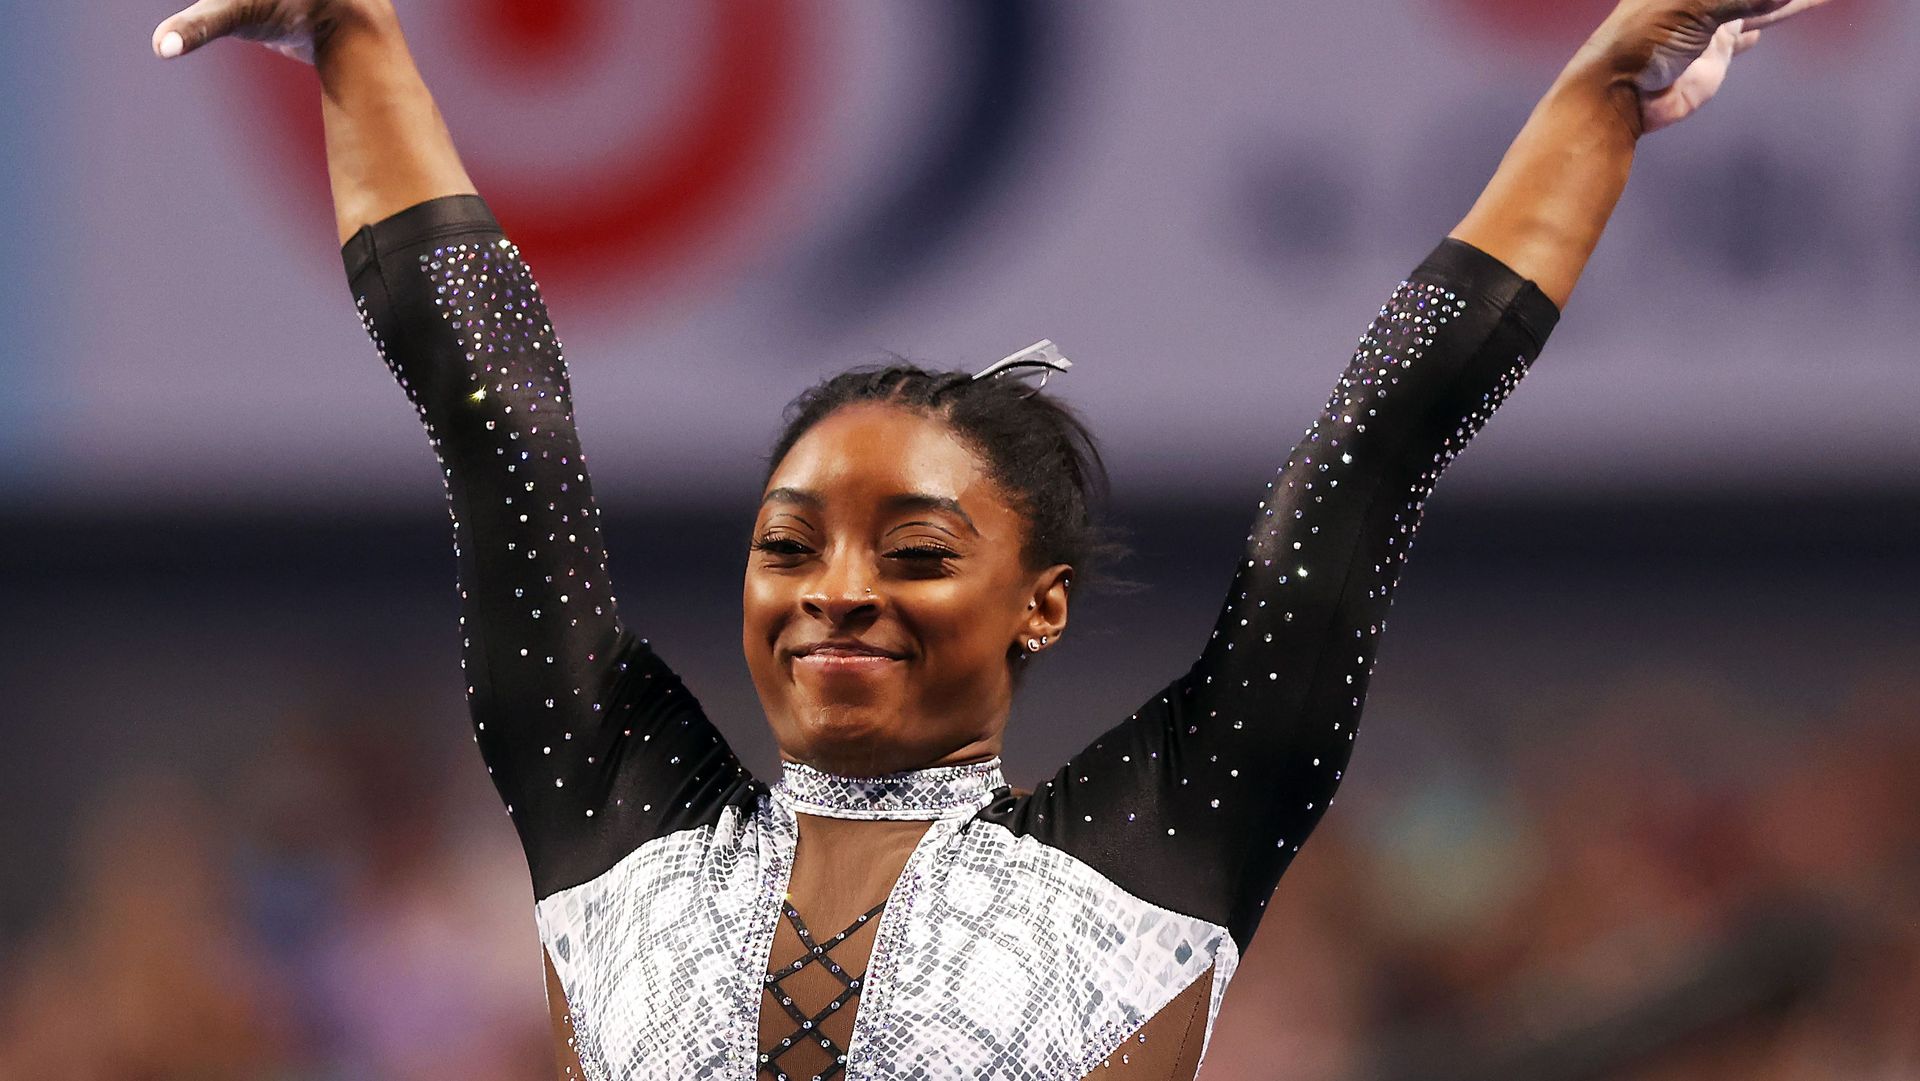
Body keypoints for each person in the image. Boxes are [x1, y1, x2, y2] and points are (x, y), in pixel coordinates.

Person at [149, 1, 1834, 1077]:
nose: (837, 591)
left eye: (913, 547)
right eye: (792, 542)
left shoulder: (1146, 859)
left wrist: (1600, 94)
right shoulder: (619, 827)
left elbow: (1373, 450)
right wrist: (356, 41)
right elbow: (500, 421)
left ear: (1039, 602)